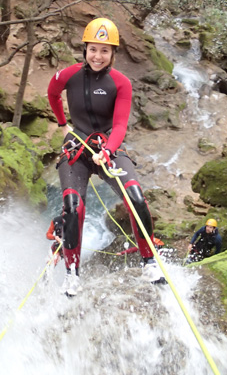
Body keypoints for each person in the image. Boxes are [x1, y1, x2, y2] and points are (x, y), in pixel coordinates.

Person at [47, 17, 165, 296]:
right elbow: (52, 94)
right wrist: (64, 124)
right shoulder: (68, 75)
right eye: (93, 49)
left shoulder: (120, 83)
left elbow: (121, 124)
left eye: (105, 50)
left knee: (135, 196)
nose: (97, 56)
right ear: (85, 49)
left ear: (113, 54)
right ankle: (73, 273)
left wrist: (108, 151)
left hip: (108, 145)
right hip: (77, 147)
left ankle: (149, 261)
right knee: (73, 205)